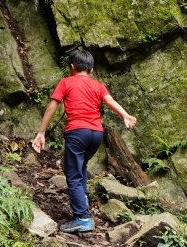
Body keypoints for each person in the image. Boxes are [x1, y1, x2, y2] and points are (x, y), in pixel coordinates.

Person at [32, 48, 137, 233]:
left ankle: (83, 218)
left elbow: (51, 107)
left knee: (72, 174)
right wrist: (125, 115)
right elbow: (109, 101)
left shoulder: (66, 82)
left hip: (77, 132)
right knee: (81, 166)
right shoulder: (98, 85)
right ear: (91, 69)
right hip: (96, 134)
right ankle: (84, 198)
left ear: (72, 67)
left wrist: (41, 133)